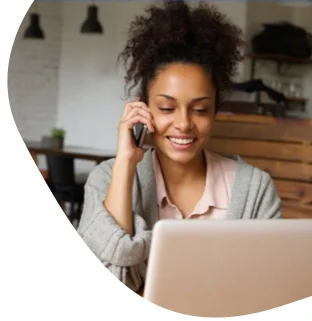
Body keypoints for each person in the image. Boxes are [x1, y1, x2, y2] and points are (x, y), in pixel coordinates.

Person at [77, 0, 281, 292]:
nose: (184, 124)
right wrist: (125, 162)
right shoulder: (106, 179)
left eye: (199, 110)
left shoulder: (256, 190)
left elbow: (269, 287)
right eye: (167, 108)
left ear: (214, 112)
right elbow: (106, 282)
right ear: (144, 108)